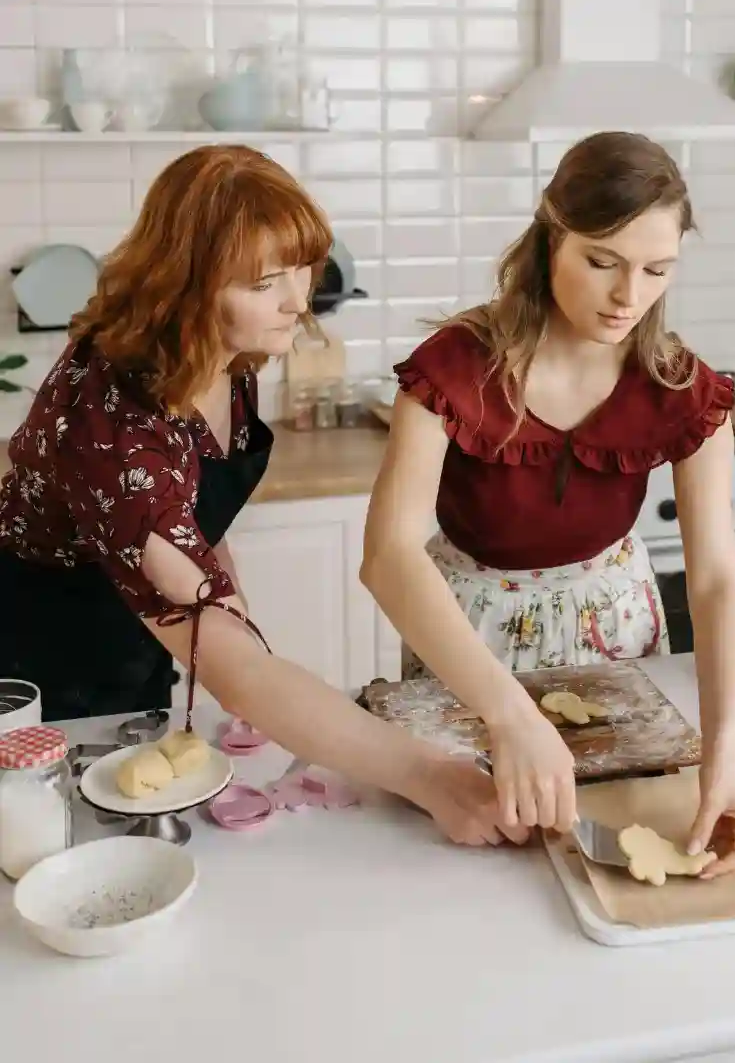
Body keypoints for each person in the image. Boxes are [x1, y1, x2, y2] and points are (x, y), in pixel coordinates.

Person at [0, 144, 525, 849]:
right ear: (185, 285)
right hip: (47, 667)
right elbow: (234, 666)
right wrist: (429, 776)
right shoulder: (113, 430)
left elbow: (195, 515)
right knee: (62, 846)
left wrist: (231, 612)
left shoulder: (226, 350)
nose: (299, 300)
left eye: (302, 267)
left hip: (134, 624)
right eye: (264, 282)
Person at [362, 131, 735, 874]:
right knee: (475, 859)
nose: (628, 296)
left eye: (656, 270)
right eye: (603, 262)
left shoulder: (683, 388)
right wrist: (505, 710)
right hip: (469, 640)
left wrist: (725, 749)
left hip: (614, 631)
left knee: (610, 847)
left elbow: (714, 580)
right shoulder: (454, 367)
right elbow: (387, 557)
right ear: (552, 240)